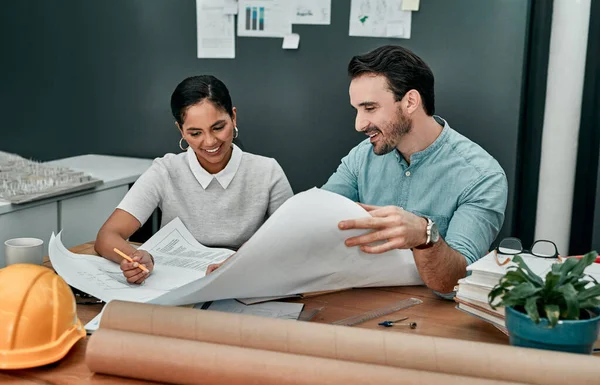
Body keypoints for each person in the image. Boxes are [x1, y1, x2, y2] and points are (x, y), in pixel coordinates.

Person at [321, 45, 508, 295]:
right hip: (360, 300)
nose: (359, 124)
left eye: (370, 108)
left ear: (410, 101)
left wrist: (425, 236)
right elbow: (319, 218)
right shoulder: (360, 158)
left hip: (434, 317)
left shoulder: (481, 176)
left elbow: (455, 282)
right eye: (357, 110)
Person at [95, 75, 294, 284]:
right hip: (176, 286)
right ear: (181, 130)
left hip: (246, 281)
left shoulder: (267, 171)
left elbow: (291, 238)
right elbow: (107, 236)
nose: (209, 141)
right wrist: (136, 257)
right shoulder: (165, 171)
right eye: (195, 133)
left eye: (218, 127)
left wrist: (241, 262)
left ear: (233, 117)